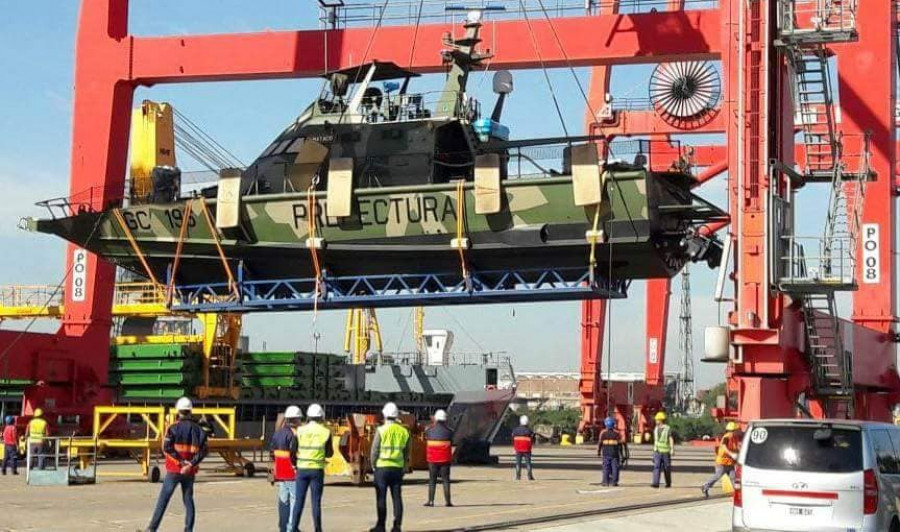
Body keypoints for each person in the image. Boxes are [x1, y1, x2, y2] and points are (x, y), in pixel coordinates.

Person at [144, 397, 209, 532]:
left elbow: (166, 448)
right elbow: (204, 451)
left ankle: (152, 529)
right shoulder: (199, 430)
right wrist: (190, 464)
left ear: (178, 411)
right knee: (188, 501)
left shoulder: (173, 428)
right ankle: (188, 530)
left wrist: (181, 462)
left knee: (163, 500)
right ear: (190, 411)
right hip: (189, 471)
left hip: (174, 470)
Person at [369, 402, 411, 532]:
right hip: (397, 468)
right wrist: (404, 466)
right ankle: (397, 526)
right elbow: (407, 452)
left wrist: (373, 466)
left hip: (382, 468)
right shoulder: (404, 431)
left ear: (384, 415)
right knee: (397, 497)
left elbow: (374, 451)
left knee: (381, 497)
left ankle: (381, 526)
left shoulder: (381, 430)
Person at [295, 403, 333, 532]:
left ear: (308, 417)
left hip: (302, 469)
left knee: (299, 500)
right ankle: (318, 529)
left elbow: (293, 449)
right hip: (317, 469)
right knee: (316, 502)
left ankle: (293, 528)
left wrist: (297, 463)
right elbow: (330, 453)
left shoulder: (300, 430)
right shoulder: (326, 432)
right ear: (321, 417)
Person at [271, 405, 302, 532]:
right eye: (299, 419)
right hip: (290, 471)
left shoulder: (277, 434)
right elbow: (293, 454)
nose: (300, 421)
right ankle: (291, 528)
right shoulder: (292, 435)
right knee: (295, 499)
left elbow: (272, 452)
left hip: (280, 470)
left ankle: (283, 527)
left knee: (284, 499)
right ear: (294, 420)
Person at [701, 421, 742, 498]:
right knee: (718, 476)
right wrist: (731, 454)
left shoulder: (734, 438)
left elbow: (736, 447)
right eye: (738, 430)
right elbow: (724, 447)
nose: (739, 431)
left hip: (730, 463)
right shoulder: (727, 437)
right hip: (722, 463)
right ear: (734, 430)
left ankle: (738, 493)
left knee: (734, 478)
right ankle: (705, 486)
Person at [424, 409, 454, 507]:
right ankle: (448, 501)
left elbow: (427, 433)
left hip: (432, 459)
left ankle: (431, 501)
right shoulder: (450, 432)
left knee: (432, 480)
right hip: (445, 460)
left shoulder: (429, 430)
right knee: (446, 480)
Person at [597, 416, 625, 487]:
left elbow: (600, 443)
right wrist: (622, 455)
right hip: (615, 454)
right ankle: (614, 482)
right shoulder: (616, 434)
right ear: (613, 425)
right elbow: (620, 445)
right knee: (615, 468)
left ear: (606, 425)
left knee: (606, 468)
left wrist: (599, 452)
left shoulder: (603, 434)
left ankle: (605, 482)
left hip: (606, 454)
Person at [651, 411, 674, 488]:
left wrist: (672, 449)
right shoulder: (656, 428)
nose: (656, 421)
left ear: (660, 420)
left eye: (657, 420)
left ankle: (668, 482)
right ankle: (655, 483)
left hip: (665, 452)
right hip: (657, 451)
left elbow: (670, 439)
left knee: (666, 467)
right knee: (656, 466)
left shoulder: (668, 429)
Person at [512, 415, 535, 481]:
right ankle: (530, 476)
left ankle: (518, 477)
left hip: (518, 449)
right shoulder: (529, 431)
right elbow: (533, 439)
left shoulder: (515, 430)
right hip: (527, 449)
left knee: (518, 463)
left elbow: (512, 438)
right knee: (528, 463)